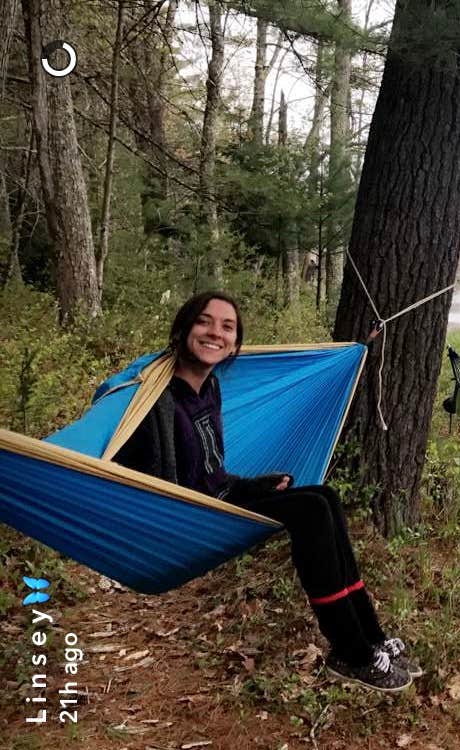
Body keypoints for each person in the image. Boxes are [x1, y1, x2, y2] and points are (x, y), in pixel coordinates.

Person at [111, 291, 420, 693]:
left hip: (218, 497)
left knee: (324, 496)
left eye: (227, 327)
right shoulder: (155, 397)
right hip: (184, 515)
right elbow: (123, 451)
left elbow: (210, 470)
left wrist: (251, 485)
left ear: (236, 343)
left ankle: (372, 637)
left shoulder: (210, 389)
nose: (215, 333)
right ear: (184, 328)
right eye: (205, 322)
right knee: (309, 510)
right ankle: (351, 651)